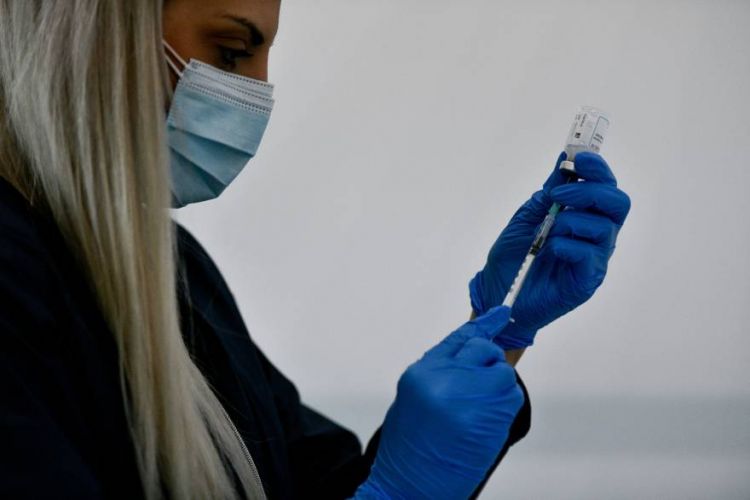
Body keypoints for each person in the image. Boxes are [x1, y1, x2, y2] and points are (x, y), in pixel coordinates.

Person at [0, 1, 631, 499]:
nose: (255, 95)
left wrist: (499, 330)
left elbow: (304, 481)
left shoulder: (171, 269)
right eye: (230, 51)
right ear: (90, 30)